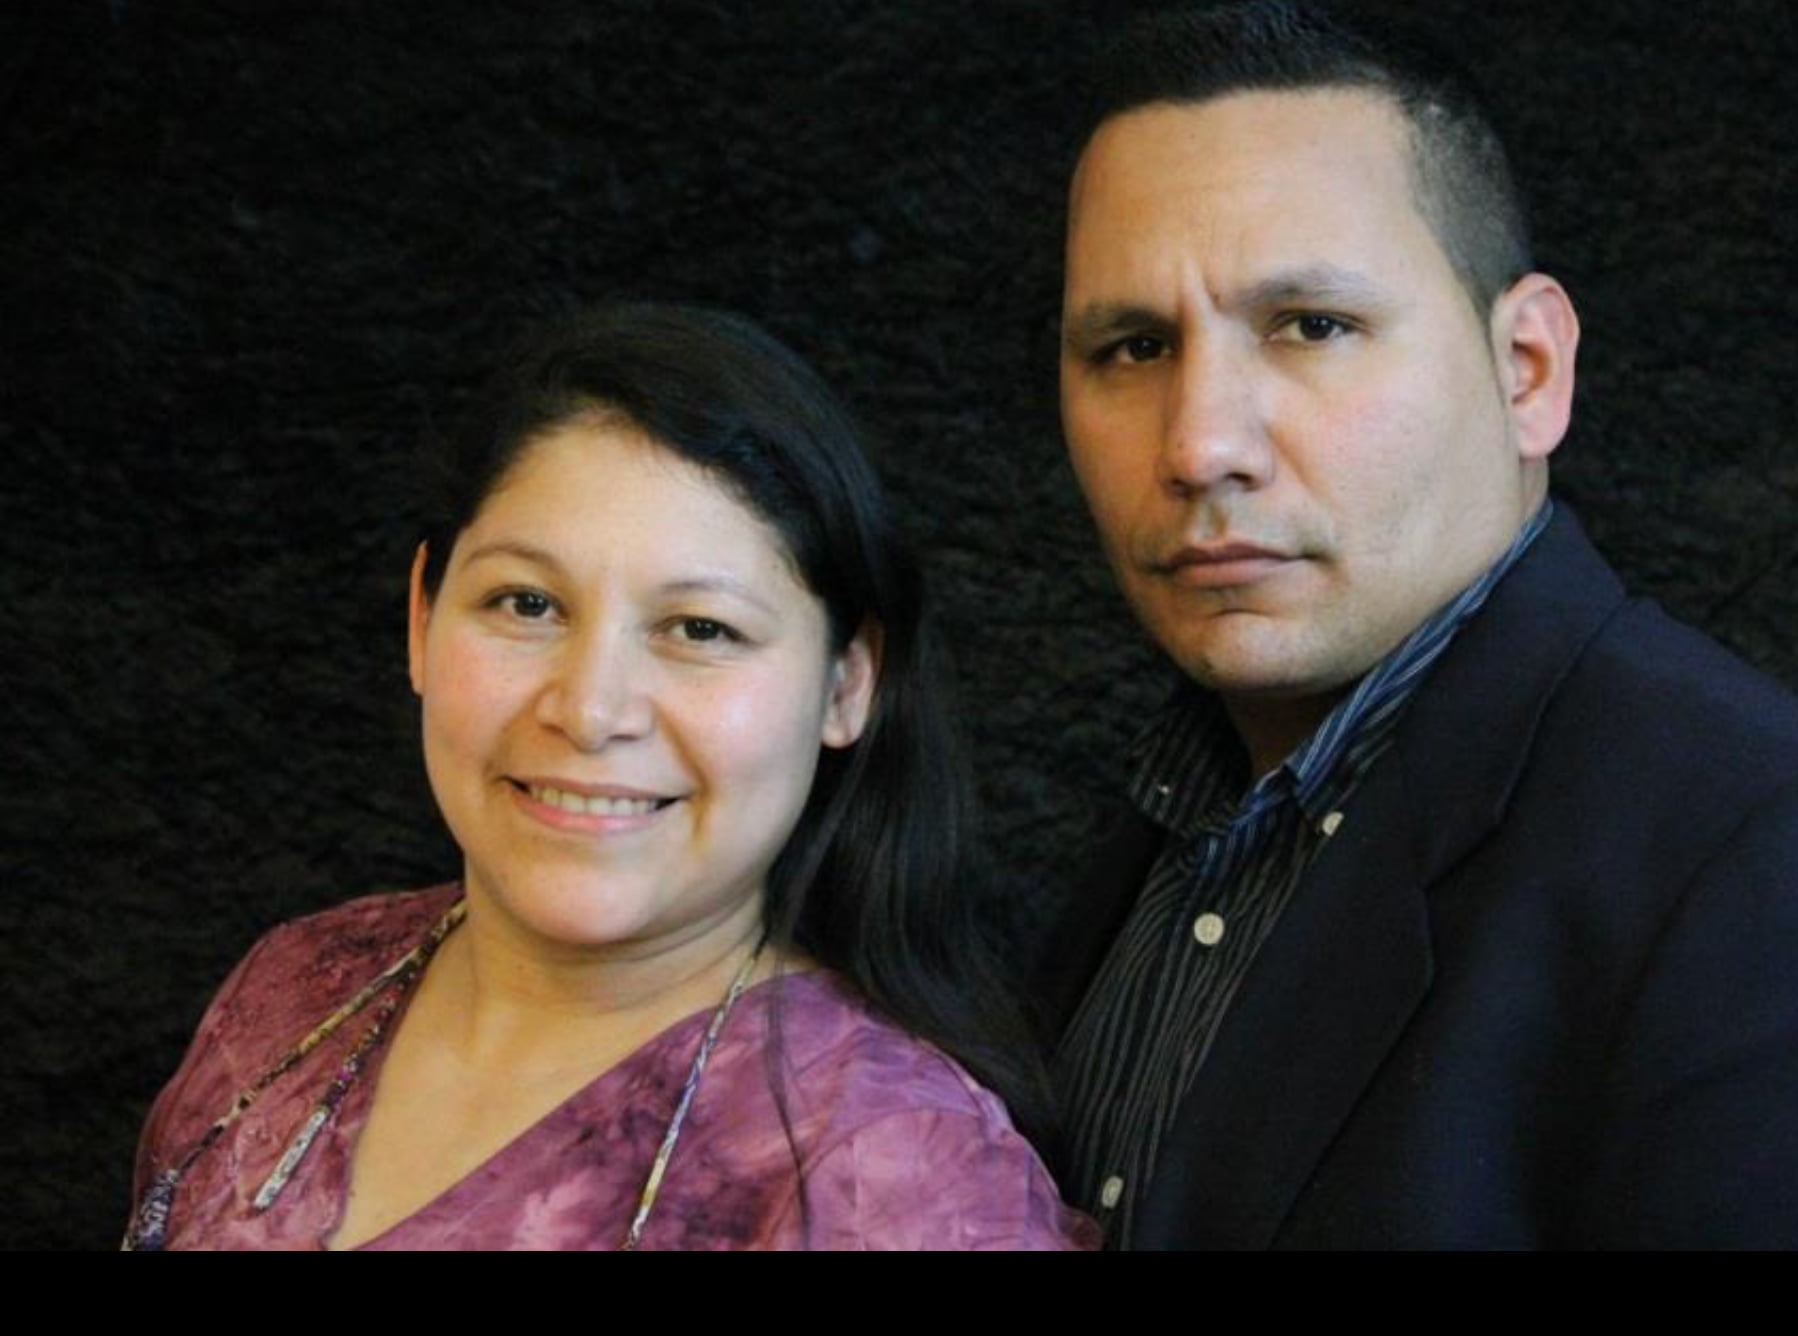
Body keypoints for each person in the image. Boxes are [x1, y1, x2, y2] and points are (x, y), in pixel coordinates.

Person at [1042, 0, 1798, 1250]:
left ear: (1526, 369)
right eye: (1132, 347)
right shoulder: (1174, 827)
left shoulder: (1785, 874)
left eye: (1312, 327)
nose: (1199, 445)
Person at [129, 306, 1095, 1250]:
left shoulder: (898, 1175)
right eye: (527, 604)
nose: (590, 711)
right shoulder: (296, 991)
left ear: (847, 686)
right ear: (422, 618)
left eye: (700, 629)